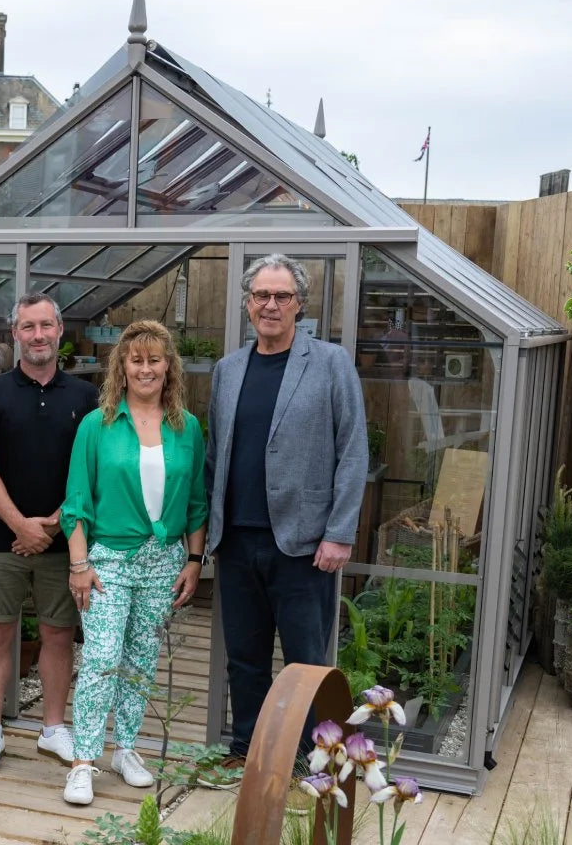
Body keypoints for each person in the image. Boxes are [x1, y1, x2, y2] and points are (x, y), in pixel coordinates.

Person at [205, 254, 369, 776]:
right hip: (236, 541)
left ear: (300, 304)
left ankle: (314, 760)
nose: (270, 305)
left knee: (307, 663)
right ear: (248, 303)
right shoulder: (228, 371)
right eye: (261, 295)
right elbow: (216, 455)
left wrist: (339, 533)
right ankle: (249, 750)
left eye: (282, 296)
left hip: (303, 544)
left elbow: (353, 449)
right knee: (245, 658)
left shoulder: (330, 363)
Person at [57, 320, 208, 806]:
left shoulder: (187, 428)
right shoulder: (96, 425)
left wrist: (193, 559)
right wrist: (79, 565)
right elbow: (76, 501)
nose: (146, 368)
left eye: (155, 359)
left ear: (169, 367)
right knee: (101, 657)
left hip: (163, 560)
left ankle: (126, 748)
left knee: (141, 658)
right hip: (108, 559)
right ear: (122, 367)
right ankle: (82, 761)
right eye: (136, 359)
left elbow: (198, 503)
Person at [0, 294, 97, 775]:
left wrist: (51, 524)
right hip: (4, 540)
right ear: (14, 334)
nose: (37, 335)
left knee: (58, 635)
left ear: (60, 331)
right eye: (27, 327)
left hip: (66, 542)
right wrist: (21, 525)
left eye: (46, 325)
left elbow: (90, 473)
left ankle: (53, 728)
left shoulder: (86, 397)